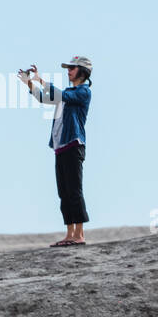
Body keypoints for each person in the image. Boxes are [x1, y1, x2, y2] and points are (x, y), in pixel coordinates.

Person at [20, 56, 93, 247]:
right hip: (60, 148)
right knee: (64, 192)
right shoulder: (66, 93)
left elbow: (61, 96)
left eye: (72, 68)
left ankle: (79, 234)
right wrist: (29, 83)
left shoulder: (83, 92)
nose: (68, 71)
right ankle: (70, 234)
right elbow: (43, 98)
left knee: (74, 191)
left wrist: (41, 80)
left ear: (82, 71)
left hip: (74, 145)